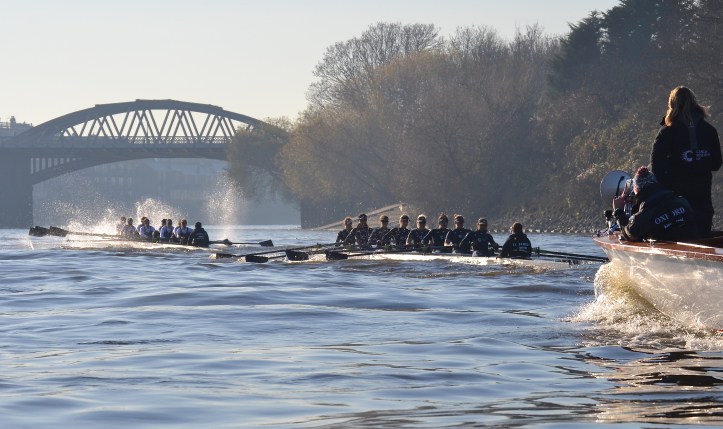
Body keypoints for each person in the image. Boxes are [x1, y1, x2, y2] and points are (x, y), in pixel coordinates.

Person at [650, 86, 722, 236]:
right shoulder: (709, 130)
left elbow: (656, 166)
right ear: (695, 103)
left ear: (672, 105)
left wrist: (666, 186)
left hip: (675, 198)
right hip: (703, 196)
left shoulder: (667, 131)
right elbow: (716, 163)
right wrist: (699, 164)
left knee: (680, 234)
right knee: (702, 234)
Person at [612, 166, 698, 242]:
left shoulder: (644, 215)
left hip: (668, 255)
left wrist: (618, 212)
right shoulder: (682, 201)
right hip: (696, 246)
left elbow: (630, 234)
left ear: (637, 189)